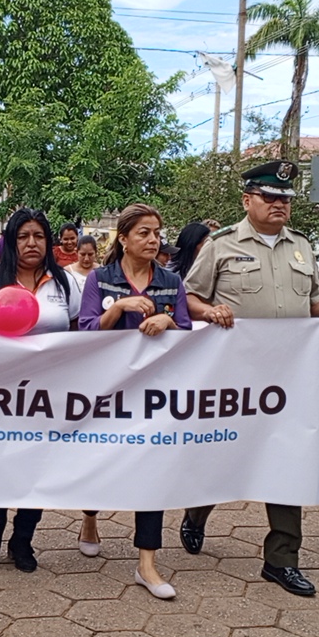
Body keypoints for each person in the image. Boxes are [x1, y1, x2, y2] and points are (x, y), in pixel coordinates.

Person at [180, 159, 319, 598]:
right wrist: (208, 311)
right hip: (233, 378)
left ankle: (281, 559)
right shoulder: (221, 245)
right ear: (247, 200)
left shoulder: (303, 248)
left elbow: (313, 300)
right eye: (270, 198)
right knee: (223, 454)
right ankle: (196, 514)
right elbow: (190, 296)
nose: (279, 205)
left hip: (290, 380)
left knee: (287, 459)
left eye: (285, 200)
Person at [77, 203, 191, 599]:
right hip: (107, 392)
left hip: (153, 394)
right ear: (123, 239)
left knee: (151, 469)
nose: (153, 239)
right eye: (143, 232)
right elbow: (86, 328)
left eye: (157, 232)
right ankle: (90, 517)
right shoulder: (99, 280)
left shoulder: (172, 282)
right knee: (100, 460)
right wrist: (121, 308)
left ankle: (147, 563)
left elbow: (189, 334)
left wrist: (169, 321)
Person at [0, 208, 81, 572]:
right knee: (0, 460)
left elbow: (81, 330)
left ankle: (23, 539)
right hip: (0, 395)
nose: (31, 243)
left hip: (49, 396)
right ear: (10, 241)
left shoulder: (65, 282)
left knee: (38, 466)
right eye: (23, 236)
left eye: (38, 236)